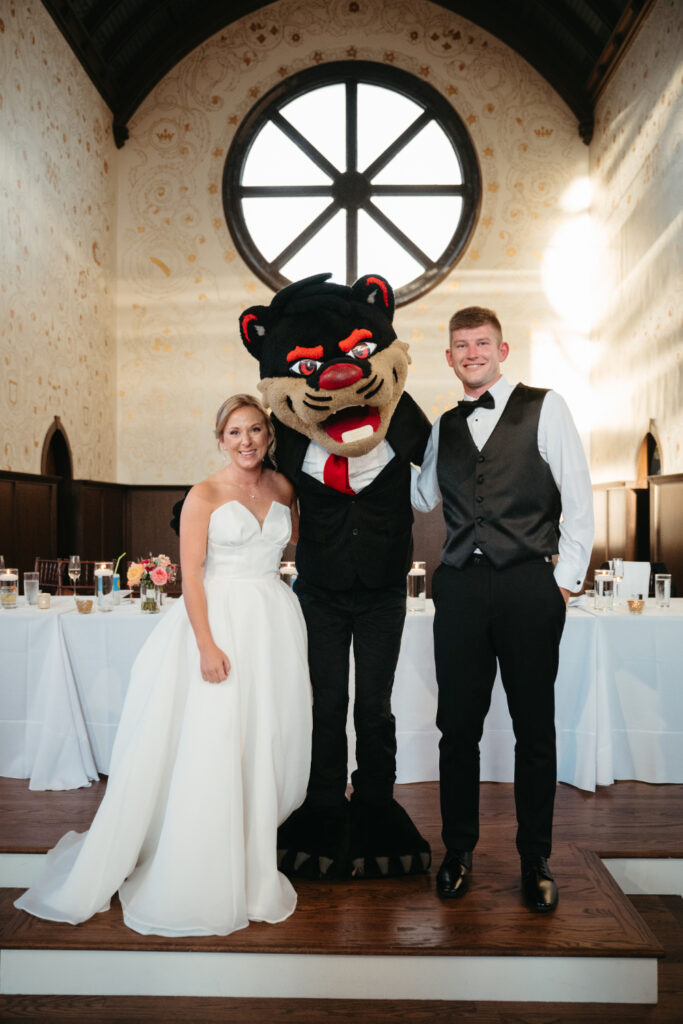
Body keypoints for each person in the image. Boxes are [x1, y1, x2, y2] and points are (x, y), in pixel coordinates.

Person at [15, 394, 312, 937]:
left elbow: (295, 549)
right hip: (217, 623)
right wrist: (206, 644)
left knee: (267, 738)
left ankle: (251, 855)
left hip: (273, 623)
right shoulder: (204, 494)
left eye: (254, 430)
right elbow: (191, 577)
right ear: (220, 440)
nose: (245, 441)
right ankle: (201, 862)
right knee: (215, 741)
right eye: (233, 433)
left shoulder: (284, 489)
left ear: (269, 436)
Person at [412, 307, 593, 912]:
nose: (471, 353)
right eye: (460, 345)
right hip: (460, 588)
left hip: (527, 588)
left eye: (481, 343)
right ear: (449, 357)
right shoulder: (444, 425)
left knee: (534, 729)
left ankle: (535, 857)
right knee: (455, 730)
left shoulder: (548, 406)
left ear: (502, 348)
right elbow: (422, 494)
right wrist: (381, 433)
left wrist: (561, 585)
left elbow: (580, 499)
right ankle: (457, 851)